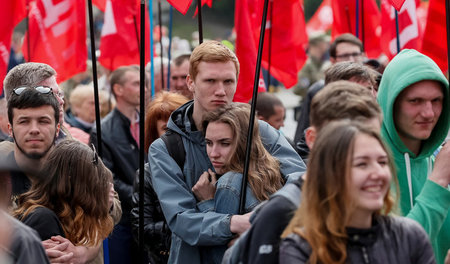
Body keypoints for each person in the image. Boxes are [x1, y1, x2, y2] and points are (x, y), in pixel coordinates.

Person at [148, 40, 305, 264]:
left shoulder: (260, 130)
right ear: (191, 82)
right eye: (210, 80)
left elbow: (299, 180)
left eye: (228, 81)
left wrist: (265, 217)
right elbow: (182, 220)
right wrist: (241, 223)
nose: (221, 91)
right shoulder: (166, 149)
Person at [222, 81, 382, 264]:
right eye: (346, 138)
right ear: (312, 138)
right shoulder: (281, 213)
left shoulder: (378, 203)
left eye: (374, 138)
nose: (363, 148)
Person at [280, 121, 435, 263]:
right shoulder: (300, 248)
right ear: (331, 174)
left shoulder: (410, 236)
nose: (378, 173)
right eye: (362, 164)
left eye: (382, 162)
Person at [377, 49, 450, 264]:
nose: (428, 113)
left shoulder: (438, 155)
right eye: (415, 101)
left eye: (436, 100)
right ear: (392, 101)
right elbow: (397, 253)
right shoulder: (368, 163)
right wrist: (439, 179)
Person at [194, 103, 283, 262]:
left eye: (225, 143)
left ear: (243, 143)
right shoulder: (270, 171)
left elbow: (217, 257)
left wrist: (206, 203)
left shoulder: (229, 183)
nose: (213, 153)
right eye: (208, 143)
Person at [91, 65, 146, 264]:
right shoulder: (103, 130)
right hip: (123, 221)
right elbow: (106, 176)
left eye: (145, 84)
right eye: (137, 84)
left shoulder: (151, 121)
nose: (145, 88)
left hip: (150, 217)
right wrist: (141, 196)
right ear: (118, 89)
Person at [14, 140, 113, 246]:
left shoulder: (60, 217)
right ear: (78, 185)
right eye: (94, 184)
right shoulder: (44, 220)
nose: (99, 192)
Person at [130, 91, 188, 263]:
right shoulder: (146, 174)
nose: (175, 135)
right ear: (154, 135)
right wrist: (188, 225)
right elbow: (141, 229)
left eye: (180, 127)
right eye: (166, 130)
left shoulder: (208, 164)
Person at [293, 33, 364, 148]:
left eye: (355, 54)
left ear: (363, 55)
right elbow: (302, 142)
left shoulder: (376, 85)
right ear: (333, 60)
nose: (351, 60)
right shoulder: (319, 90)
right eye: (345, 56)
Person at [296, 61, 376, 160]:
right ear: (333, 94)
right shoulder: (316, 139)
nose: (365, 96)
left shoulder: (387, 127)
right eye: (355, 89)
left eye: (369, 89)